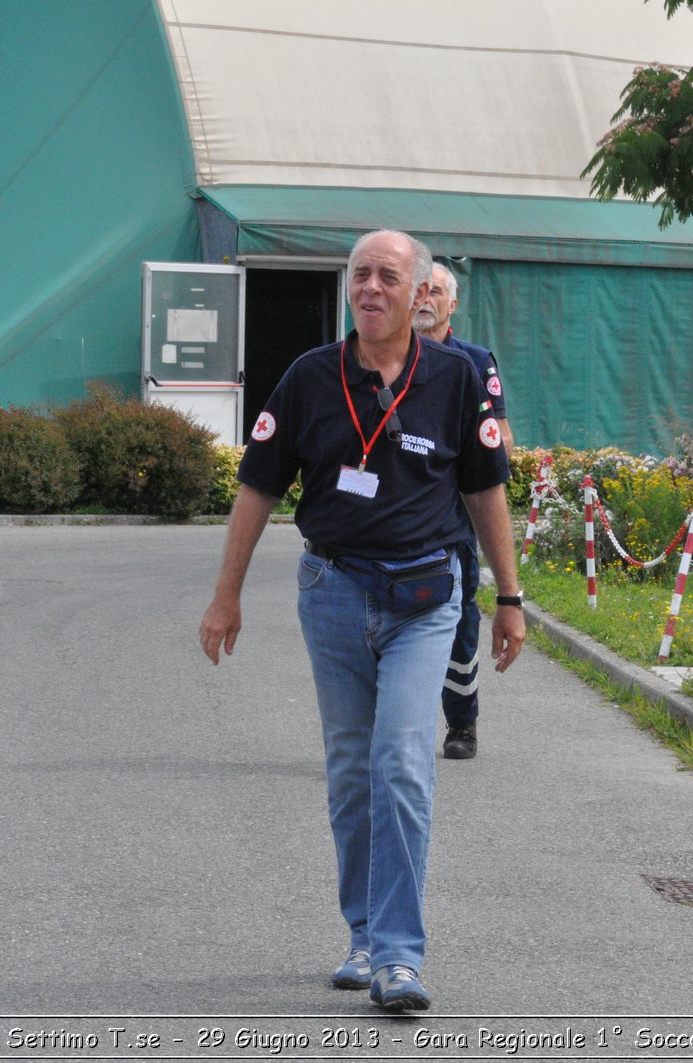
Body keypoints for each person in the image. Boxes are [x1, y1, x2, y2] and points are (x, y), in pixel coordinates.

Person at [198, 230, 525, 1013]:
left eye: (389, 276)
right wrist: (226, 594)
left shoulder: (455, 377)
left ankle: (400, 955)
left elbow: (486, 492)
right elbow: (258, 488)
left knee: (403, 763)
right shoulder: (311, 378)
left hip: (424, 600)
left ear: (421, 295)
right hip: (335, 592)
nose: (371, 287)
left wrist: (509, 597)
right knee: (351, 774)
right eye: (360, 275)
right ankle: (365, 934)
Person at [414, 263, 512, 760]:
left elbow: (500, 438)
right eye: (419, 290)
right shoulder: (386, 360)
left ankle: (462, 724)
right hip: (400, 523)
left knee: (459, 623)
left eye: (436, 292)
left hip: (455, 523)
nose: (425, 299)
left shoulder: (473, 362)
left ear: (453, 305)